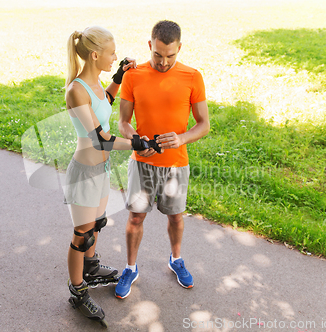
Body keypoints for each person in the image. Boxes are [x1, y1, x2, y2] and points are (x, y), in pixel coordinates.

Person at [64, 26, 162, 326]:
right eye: (112, 54)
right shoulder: (76, 89)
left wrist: (118, 76)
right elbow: (101, 139)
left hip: (101, 170)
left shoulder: (95, 85)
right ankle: (78, 292)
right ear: (95, 55)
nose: (115, 57)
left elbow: (104, 101)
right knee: (82, 236)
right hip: (84, 172)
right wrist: (138, 142)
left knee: (96, 225)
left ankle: (90, 269)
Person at [115, 20, 210, 299]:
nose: (164, 61)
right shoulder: (133, 75)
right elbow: (123, 121)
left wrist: (182, 138)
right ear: (150, 46)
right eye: (158, 54)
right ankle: (131, 267)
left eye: (170, 55)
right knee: (135, 218)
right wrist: (136, 139)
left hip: (176, 164)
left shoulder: (192, 76)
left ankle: (176, 259)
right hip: (142, 162)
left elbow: (203, 124)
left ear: (179, 48)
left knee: (176, 217)